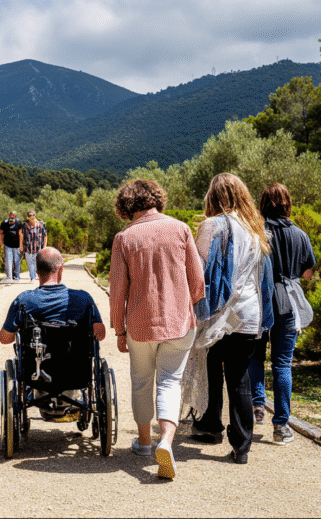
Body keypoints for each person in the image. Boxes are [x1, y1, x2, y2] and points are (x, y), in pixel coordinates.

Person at [109, 179, 205, 480]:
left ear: (126, 205)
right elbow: (198, 282)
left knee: (141, 381)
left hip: (140, 323)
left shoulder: (124, 238)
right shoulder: (181, 229)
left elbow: (117, 291)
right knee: (170, 382)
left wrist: (119, 330)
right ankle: (166, 439)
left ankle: (144, 442)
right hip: (178, 323)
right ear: (156, 199)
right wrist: (181, 304)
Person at [190, 173, 273, 465]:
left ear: (213, 197)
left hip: (218, 313)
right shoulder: (256, 228)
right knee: (240, 378)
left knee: (212, 367)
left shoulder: (212, 226)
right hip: (250, 314)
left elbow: (198, 272)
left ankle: (210, 426)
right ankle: (241, 446)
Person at [0, 247, 106, 420]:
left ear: (37, 269)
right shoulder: (83, 299)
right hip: (76, 375)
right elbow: (100, 334)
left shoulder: (24, 300)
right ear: (61, 269)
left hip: (37, 375)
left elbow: (4, 338)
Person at [249, 183, 316, 445]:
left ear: (262, 204)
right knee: (282, 364)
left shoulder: (257, 232)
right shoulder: (300, 234)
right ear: (288, 204)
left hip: (259, 301)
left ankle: (257, 404)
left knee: (255, 355)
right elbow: (308, 272)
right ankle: (281, 426)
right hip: (287, 302)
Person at [19, 210, 47, 282]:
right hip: (28, 247)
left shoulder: (41, 224)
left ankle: (36, 275)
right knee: (30, 263)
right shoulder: (25, 225)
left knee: (36, 263)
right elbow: (21, 236)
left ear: (35, 215)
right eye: (30, 216)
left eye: (33, 215)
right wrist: (21, 246)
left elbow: (45, 236)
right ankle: (32, 277)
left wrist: (44, 247)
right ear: (27, 217)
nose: (32, 217)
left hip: (38, 248)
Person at [0, 211, 23, 282]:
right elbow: (1, 234)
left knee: (17, 261)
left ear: (15, 216)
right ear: (9, 215)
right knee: (8, 261)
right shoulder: (4, 223)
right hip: (8, 245)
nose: (12, 217)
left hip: (17, 245)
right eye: (11, 216)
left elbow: (20, 234)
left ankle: (17, 276)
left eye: (13, 216)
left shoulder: (18, 222)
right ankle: (9, 277)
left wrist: (21, 245)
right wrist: (1, 244)